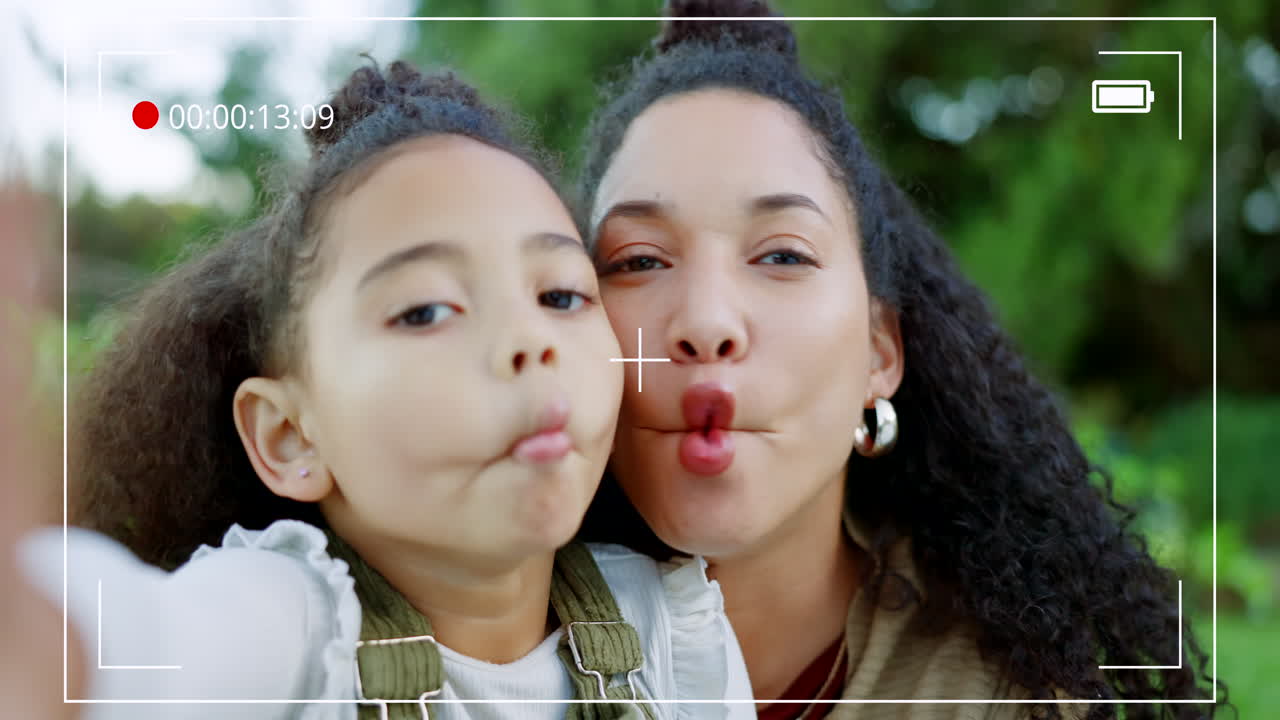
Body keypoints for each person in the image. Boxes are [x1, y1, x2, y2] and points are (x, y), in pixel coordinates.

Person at [18, 60, 752, 720]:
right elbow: (111, 652)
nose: (532, 340)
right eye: (426, 310)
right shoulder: (286, 631)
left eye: (560, 296)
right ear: (290, 436)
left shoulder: (667, 624)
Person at [574, 2, 1219, 719]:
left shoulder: (1011, 696)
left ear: (879, 356)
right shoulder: (468, 661)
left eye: (782, 254)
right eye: (637, 260)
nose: (706, 323)